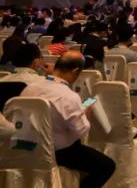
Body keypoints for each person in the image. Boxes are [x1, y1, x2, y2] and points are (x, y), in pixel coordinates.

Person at [22, 51, 116, 188]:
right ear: (76, 71)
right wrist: (85, 115)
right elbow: (80, 131)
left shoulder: (30, 88)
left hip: (29, 144)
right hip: (59, 152)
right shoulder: (69, 96)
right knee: (107, 166)